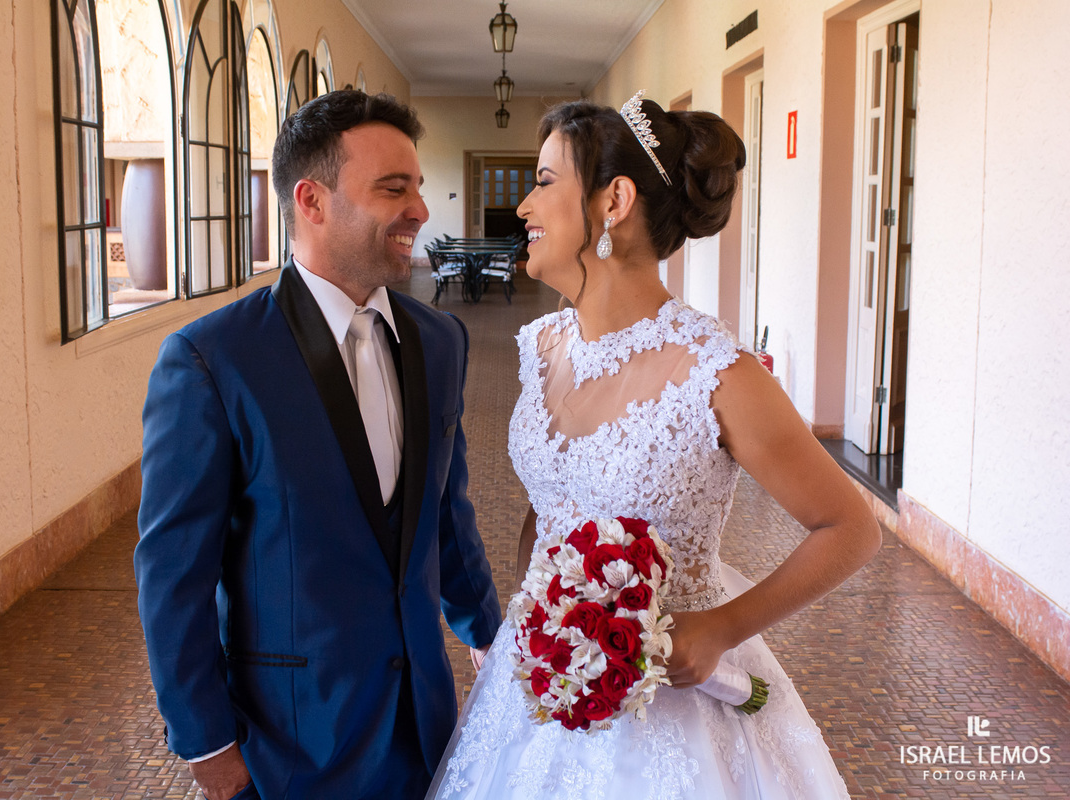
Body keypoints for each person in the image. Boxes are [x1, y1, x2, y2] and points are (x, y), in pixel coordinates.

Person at [426, 93, 881, 799]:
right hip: (546, 683)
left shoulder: (716, 372)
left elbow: (850, 527)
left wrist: (722, 628)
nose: (524, 206)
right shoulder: (541, 347)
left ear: (614, 201)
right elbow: (550, 506)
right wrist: (537, 618)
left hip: (677, 710)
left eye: (544, 181)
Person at [135, 90, 502, 800]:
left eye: (417, 187)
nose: (420, 209)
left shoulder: (441, 341)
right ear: (311, 200)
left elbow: (445, 516)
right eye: (393, 189)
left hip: (425, 724)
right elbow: (173, 573)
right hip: (290, 742)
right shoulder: (213, 360)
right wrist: (208, 745)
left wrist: (490, 637)